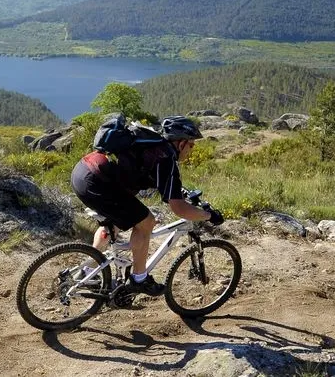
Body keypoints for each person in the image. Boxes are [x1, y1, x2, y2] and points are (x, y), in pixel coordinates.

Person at [70, 116, 224, 296]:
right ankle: (139, 279)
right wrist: (209, 216)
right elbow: (179, 209)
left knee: (113, 223)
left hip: (81, 173)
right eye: (191, 144)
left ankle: (89, 272)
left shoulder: (151, 144)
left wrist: (180, 192)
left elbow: (162, 183)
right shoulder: (166, 158)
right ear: (180, 143)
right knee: (146, 222)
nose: (193, 149)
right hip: (99, 183)